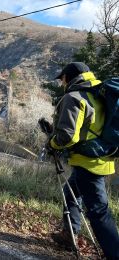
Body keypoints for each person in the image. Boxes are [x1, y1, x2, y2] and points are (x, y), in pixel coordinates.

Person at [48, 62, 119, 259]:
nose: (62, 83)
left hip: (87, 163)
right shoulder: (99, 93)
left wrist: (52, 145)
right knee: (71, 194)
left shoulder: (74, 97)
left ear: (69, 77)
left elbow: (68, 136)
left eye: (62, 79)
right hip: (102, 159)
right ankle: (69, 234)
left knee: (98, 213)